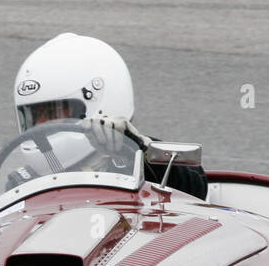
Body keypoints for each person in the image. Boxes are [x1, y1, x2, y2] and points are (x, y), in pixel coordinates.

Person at [13, 33, 208, 199]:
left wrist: (137, 150)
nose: (39, 125)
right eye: (33, 116)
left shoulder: (137, 162)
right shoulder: (22, 183)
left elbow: (196, 190)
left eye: (52, 113)